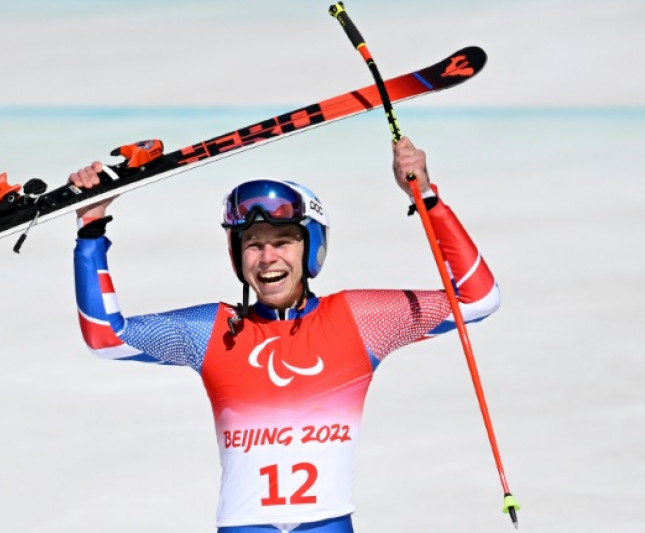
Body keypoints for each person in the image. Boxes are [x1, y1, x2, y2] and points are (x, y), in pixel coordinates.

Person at [68, 137, 500, 533]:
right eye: (253, 243)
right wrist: (92, 227)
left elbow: (477, 299)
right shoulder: (213, 331)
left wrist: (425, 198)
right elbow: (107, 337)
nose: (267, 257)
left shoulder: (358, 319)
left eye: (284, 242)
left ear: (311, 248)